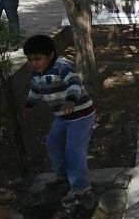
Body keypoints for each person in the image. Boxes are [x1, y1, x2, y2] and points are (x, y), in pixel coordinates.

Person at [23, 34, 96, 204]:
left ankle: (81, 185)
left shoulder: (61, 66)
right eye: (30, 59)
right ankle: (63, 175)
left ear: (50, 55)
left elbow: (74, 83)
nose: (33, 63)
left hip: (81, 115)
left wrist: (71, 100)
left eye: (37, 59)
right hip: (63, 117)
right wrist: (28, 105)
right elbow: (36, 89)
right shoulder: (36, 72)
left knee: (73, 150)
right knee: (53, 143)